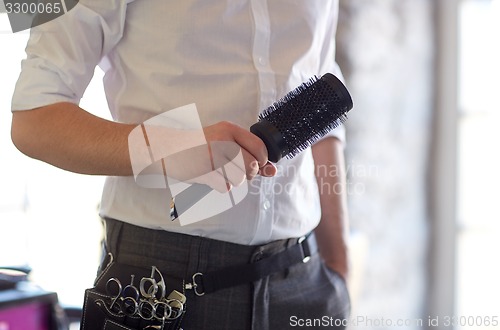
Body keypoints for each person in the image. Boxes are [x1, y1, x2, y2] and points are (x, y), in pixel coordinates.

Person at [10, 0, 350, 329]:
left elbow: (321, 88)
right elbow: (35, 119)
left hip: (304, 278)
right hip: (159, 282)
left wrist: (338, 266)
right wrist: (168, 148)